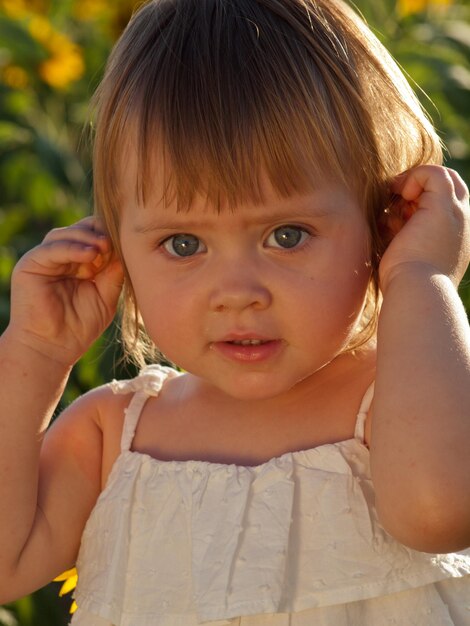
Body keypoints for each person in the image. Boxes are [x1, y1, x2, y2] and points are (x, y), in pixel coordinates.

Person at [1, 0, 470, 623]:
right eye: (183, 244)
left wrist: (419, 276)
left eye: (287, 234)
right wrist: (34, 352)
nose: (236, 291)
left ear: (385, 222)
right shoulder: (116, 434)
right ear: (119, 246)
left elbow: (439, 513)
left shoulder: (395, 404)